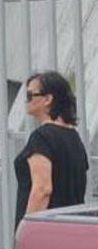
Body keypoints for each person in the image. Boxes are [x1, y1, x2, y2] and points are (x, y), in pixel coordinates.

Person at [15, 70, 89, 227]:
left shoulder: (41, 137)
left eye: (29, 96)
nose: (26, 101)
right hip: (71, 228)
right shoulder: (74, 138)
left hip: (46, 233)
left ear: (48, 99)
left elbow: (42, 189)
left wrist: (27, 230)